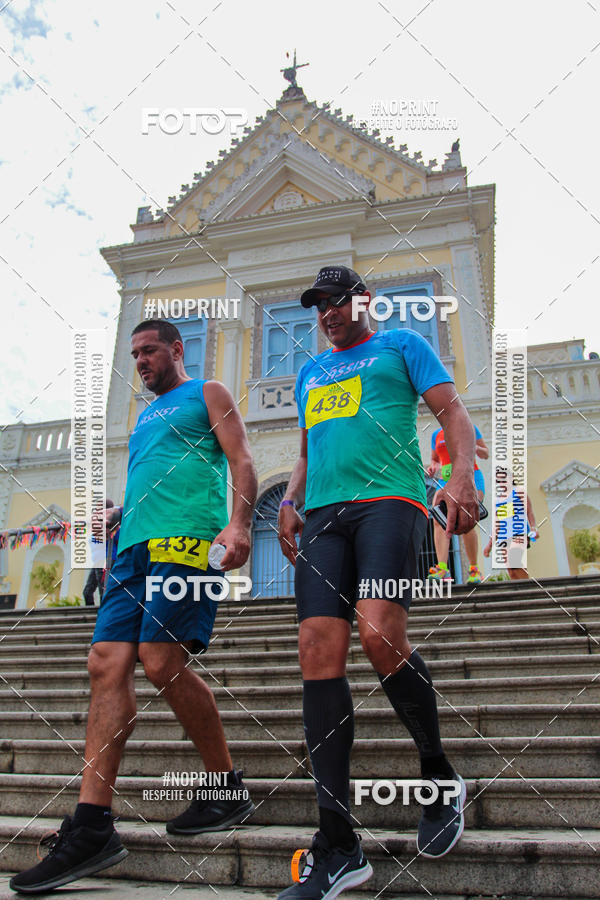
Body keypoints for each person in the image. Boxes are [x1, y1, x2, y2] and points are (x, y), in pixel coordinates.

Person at [11, 319, 258, 894]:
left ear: (177, 349)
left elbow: (243, 460)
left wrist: (241, 524)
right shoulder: (144, 416)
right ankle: (93, 825)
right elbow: (154, 480)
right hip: (132, 552)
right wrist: (117, 518)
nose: (141, 361)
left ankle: (225, 787)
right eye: (135, 355)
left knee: (159, 659)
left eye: (150, 351)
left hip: (188, 542)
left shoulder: (208, 392)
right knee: (104, 660)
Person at [276, 266, 480, 898]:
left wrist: (464, 475)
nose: (327, 314)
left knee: (379, 634)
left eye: (335, 302)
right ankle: (338, 845)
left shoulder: (401, 346)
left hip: (392, 503)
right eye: (318, 307)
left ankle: (439, 776)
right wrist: (289, 496)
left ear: (361, 301)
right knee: (316, 651)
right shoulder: (312, 372)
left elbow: (452, 412)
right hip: (324, 517)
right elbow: (310, 452)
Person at [426, 426, 489, 583]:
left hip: (470, 477)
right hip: (445, 480)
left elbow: (485, 453)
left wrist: (474, 447)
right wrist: (433, 466)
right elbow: (435, 458)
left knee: (467, 518)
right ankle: (442, 568)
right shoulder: (436, 434)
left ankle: (474, 569)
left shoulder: (469, 426)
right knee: (438, 520)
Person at [483, 478, 538, 580]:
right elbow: (497, 524)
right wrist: (489, 545)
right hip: (504, 537)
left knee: (514, 561)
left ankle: (530, 589)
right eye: (499, 481)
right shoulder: (498, 501)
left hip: (519, 533)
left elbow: (529, 512)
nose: (502, 482)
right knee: (512, 571)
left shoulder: (519, 492)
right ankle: (520, 593)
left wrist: (533, 528)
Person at [83, 500, 119, 606]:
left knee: (103, 589)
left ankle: (103, 614)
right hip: (97, 560)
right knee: (87, 591)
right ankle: (95, 613)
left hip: (106, 558)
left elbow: (116, 537)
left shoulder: (112, 524)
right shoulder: (98, 523)